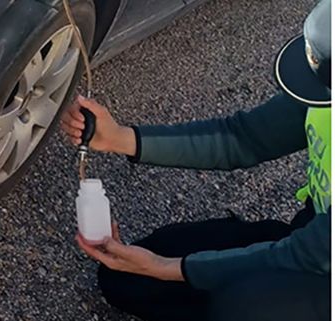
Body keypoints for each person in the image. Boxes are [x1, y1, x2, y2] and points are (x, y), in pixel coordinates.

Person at [61, 1, 331, 320]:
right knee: (125, 280)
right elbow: (244, 138)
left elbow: (309, 255)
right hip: (316, 232)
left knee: (241, 307)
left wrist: (165, 268)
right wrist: (119, 137)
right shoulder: (324, 87)